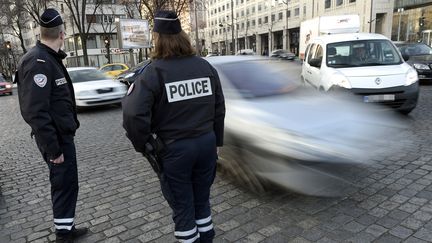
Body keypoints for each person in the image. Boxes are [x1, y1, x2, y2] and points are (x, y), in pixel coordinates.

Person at [122, 10, 225, 243]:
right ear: (182, 36)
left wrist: (146, 146)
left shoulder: (153, 72)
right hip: (206, 145)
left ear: (157, 38)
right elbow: (219, 108)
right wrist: (216, 142)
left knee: (183, 207)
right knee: (202, 200)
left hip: (175, 150)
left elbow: (132, 114)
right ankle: (206, 238)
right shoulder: (205, 67)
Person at [15, 8, 87, 243]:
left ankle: (67, 228)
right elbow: (35, 112)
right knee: (62, 184)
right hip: (56, 140)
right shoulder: (39, 61)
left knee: (68, 184)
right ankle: (63, 236)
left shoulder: (48, 58)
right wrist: (54, 149)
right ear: (62, 34)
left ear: (41, 32)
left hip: (62, 136)